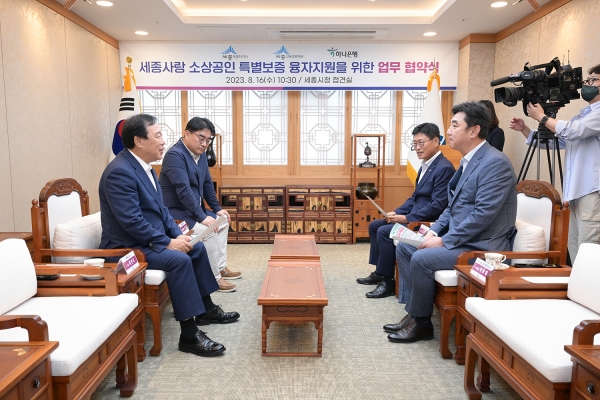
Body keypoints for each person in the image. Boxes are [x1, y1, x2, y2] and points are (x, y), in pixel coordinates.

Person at [99, 114, 240, 357]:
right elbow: (132, 221)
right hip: (128, 248)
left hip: (147, 241)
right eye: (157, 135)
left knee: (195, 247)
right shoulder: (119, 172)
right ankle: (189, 334)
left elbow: (163, 211)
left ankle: (206, 308)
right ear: (139, 141)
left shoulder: (145, 168)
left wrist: (178, 236)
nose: (164, 140)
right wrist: (167, 243)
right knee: (179, 260)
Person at [386, 101, 517, 343]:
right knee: (404, 246)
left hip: (483, 248)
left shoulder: (495, 163)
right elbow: (451, 206)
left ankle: (422, 323)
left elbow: (482, 215)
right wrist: (433, 231)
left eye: (455, 125)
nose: (448, 131)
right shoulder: (468, 161)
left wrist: (443, 241)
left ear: (474, 130)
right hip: (462, 240)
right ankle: (414, 313)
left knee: (422, 258)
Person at [510, 64, 600, 263]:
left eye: (593, 80)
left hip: (592, 190)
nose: (588, 84)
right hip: (576, 190)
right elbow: (559, 140)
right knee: (575, 248)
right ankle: (577, 281)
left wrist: (542, 117)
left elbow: (573, 130)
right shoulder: (585, 113)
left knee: (589, 250)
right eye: (588, 80)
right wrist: (526, 129)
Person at [357, 123, 455, 300]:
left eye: (421, 143)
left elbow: (437, 206)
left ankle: (388, 281)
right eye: (414, 144)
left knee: (385, 232)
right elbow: (414, 198)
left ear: (435, 141)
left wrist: (406, 218)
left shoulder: (444, 168)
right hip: (413, 216)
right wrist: (395, 213)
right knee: (375, 225)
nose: (417, 148)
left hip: (426, 223)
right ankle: (380, 271)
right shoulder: (426, 165)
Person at [159, 117, 241, 293]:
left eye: (208, 140)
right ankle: (214, 278)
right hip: (175, 213)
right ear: (187, 134)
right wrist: (202, 217)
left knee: (223, 221)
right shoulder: (175, 155)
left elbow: (207, 183)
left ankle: (220, 267)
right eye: (201, 138)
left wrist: (217, 209)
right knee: (208, 230)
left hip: (192, 211)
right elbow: (183, 190)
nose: (205, 144)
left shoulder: (200, 154)